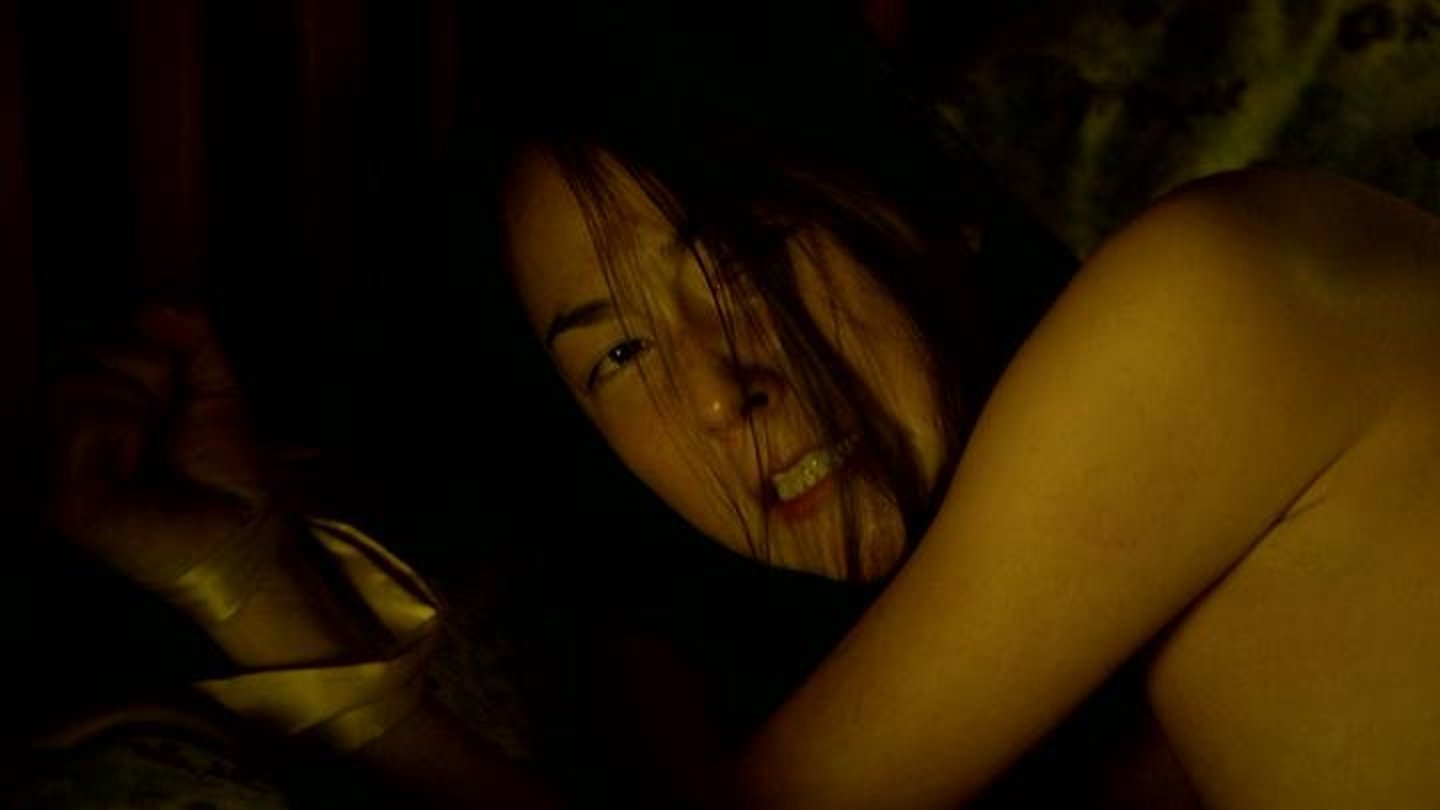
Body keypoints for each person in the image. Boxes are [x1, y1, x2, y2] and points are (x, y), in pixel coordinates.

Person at [43, 5, 1440, 807]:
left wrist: (273, 604)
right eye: (617, 357)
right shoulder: (1028, 705)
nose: (718, 393)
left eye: (745, 255)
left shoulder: (1230, 290)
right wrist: (251, 578)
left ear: (928, 206)